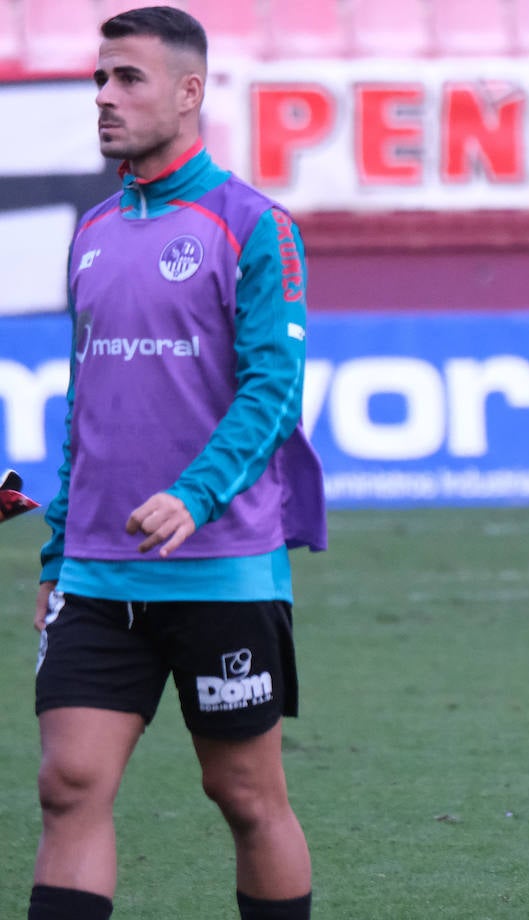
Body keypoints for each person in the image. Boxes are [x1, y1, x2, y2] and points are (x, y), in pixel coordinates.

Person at [27, 7, 326, 920]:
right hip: (96, 569)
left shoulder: (254, 225)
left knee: (243, 796)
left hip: (221, 568)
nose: (106, 98)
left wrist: (195, 494)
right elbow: (86, 405)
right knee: (68, 785)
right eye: (99, 80)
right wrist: (54, 553)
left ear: (191, 92)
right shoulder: (92, 232)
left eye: (129, 79)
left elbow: (275, 389)